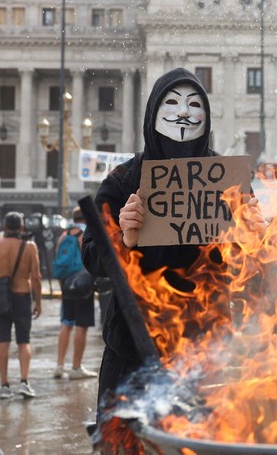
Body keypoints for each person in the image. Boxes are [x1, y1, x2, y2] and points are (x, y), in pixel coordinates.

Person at [81, 68, 223, 415]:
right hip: (132, 348)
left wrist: (254, 235)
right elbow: (92, 257)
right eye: (172, 102)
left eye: (194, 104)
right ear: (153, 113)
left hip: (202, 349)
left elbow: (247, 266)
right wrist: (124, 237)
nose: (184, 113)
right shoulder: (124, 178)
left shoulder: (226, 177)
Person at [0, 212, 43, 400]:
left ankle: (4, 385)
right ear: (22, 228)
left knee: (3, 341)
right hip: (22, 296)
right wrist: (38, 302)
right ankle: (24, 382)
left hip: (0, 299)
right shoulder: (30, 247)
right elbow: (36, 278)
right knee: (24, 341)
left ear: (5, 228)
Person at [54, 206, 98, 380]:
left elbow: (58, 261)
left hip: (66, 285)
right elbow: (91, 261)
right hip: (82, 285)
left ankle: (59, 365)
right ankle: (76, 367)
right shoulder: (86, 234)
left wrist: (63, 284)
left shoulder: (64, 235)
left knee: (66, 323)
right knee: (82, 326)